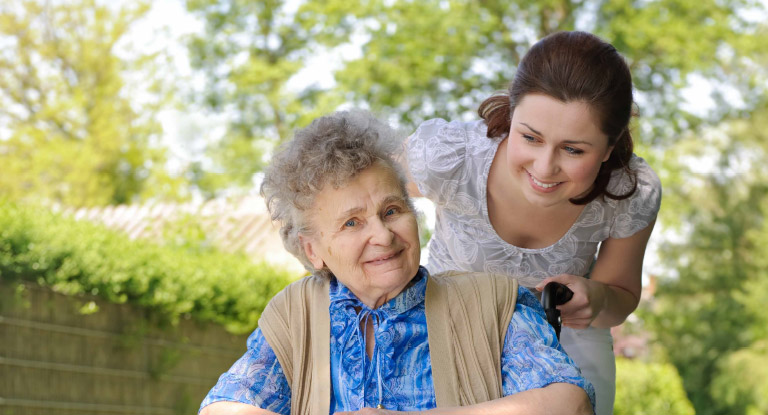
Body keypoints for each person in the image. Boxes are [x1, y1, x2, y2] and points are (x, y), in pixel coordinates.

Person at [199, 110, 595, 415]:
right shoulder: (295, 314)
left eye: (391, 211)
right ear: (313, 249)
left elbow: (569, 400)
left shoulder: (489, 302)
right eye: (352, 222)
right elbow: (224, 405)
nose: (383, 235)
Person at [404, 31, 661, 415]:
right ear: (512, 113)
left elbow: (620, 294)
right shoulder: (449, 156)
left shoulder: (631, 192)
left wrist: (597, 298)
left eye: (573, 149)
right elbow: (360, 197)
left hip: (566, 340)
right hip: (444, 328)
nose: (544, 168)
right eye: (530, 137)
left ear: (609, 148)